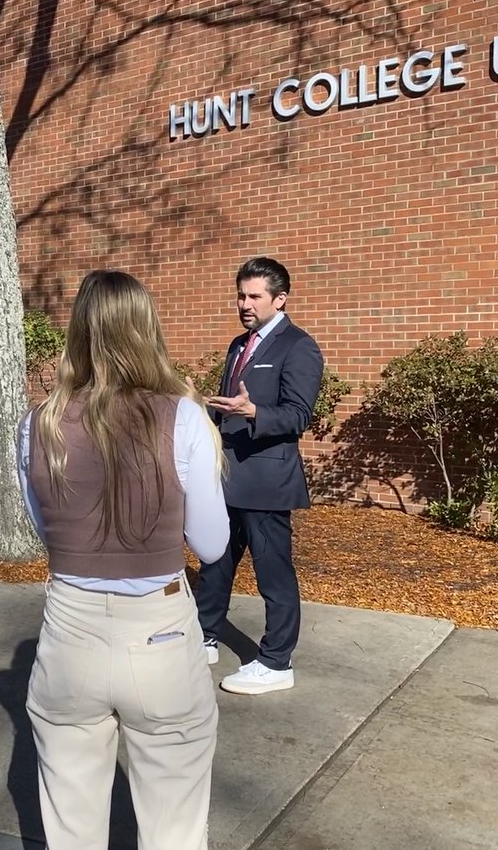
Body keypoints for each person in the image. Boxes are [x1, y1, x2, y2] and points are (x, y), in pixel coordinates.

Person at [17, 269, 229, 850]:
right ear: (146, 328)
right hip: (160, 630)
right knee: (174, 827)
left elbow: (49, 534)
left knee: (71, 828)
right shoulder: (181, 416)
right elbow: (211, 545)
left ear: (79, 331)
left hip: (69, 628)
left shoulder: (38, 423)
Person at [197, 256, 324, 695]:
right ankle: (204, 636)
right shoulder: (238, 345)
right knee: (215, 562)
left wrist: (254, 412)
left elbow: (298, 415)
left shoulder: (299, 346)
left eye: (254, 296)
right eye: (241, 295)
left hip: (267, 484)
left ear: (280, 299)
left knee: (273, 574)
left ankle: (275, 662)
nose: (244, 304)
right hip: (227, 477)